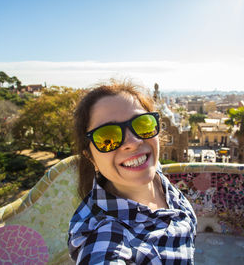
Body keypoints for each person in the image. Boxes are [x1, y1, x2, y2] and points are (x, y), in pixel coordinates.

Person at [68, 81, 197, 264]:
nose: (134, 141)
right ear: (91, 158)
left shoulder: (152, 170)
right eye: (108, 137)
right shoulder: (105, 235)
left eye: (142, 125)